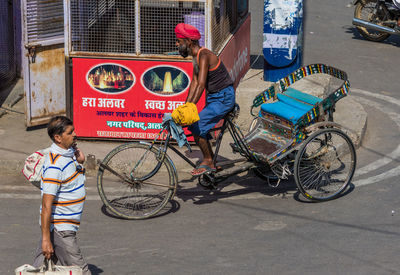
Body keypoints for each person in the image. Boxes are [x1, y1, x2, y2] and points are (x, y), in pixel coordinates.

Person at [175, 23, 235, 176]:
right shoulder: (195, 57)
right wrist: (186, 106)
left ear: (188, 42)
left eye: (179, 41)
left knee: (197, 125)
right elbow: (194, 83)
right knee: (194, 124)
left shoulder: (204, 55)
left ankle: (208, 160)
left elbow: (201, 84)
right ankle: (210, 159)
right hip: (214, 97)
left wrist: (190, 108)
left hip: (223, 98)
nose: (177, 44)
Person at [32, 116, 90, 275]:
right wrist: (46, 239)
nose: (75, 134)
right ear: (58, 138)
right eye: (70, 133)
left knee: (39, 269)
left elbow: (71, 177)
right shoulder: (54, 166)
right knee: (80, 271)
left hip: (62, 226)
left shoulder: (67, 154)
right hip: (61, 229)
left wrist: (80, 160)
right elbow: (46, 205)